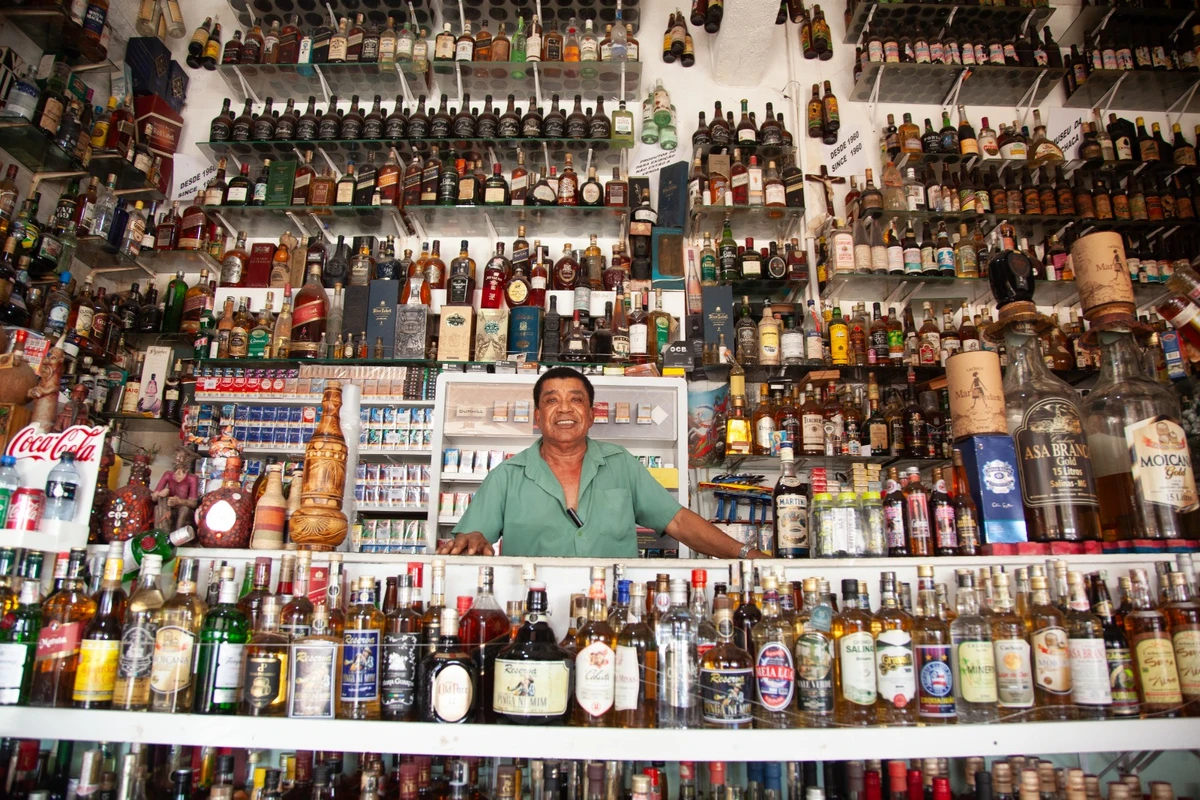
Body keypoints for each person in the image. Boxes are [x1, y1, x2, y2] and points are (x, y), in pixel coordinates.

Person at [437, 367, 767, 559]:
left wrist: (745, 555)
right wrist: (472, 542)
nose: (564, 409)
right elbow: (473, 535)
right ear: (538, 417)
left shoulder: (620, 464)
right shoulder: (506, 477)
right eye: (552, 400)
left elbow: (678, 522)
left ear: (591, 415)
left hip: (614, 613)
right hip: (529, 618)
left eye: (575, 400)